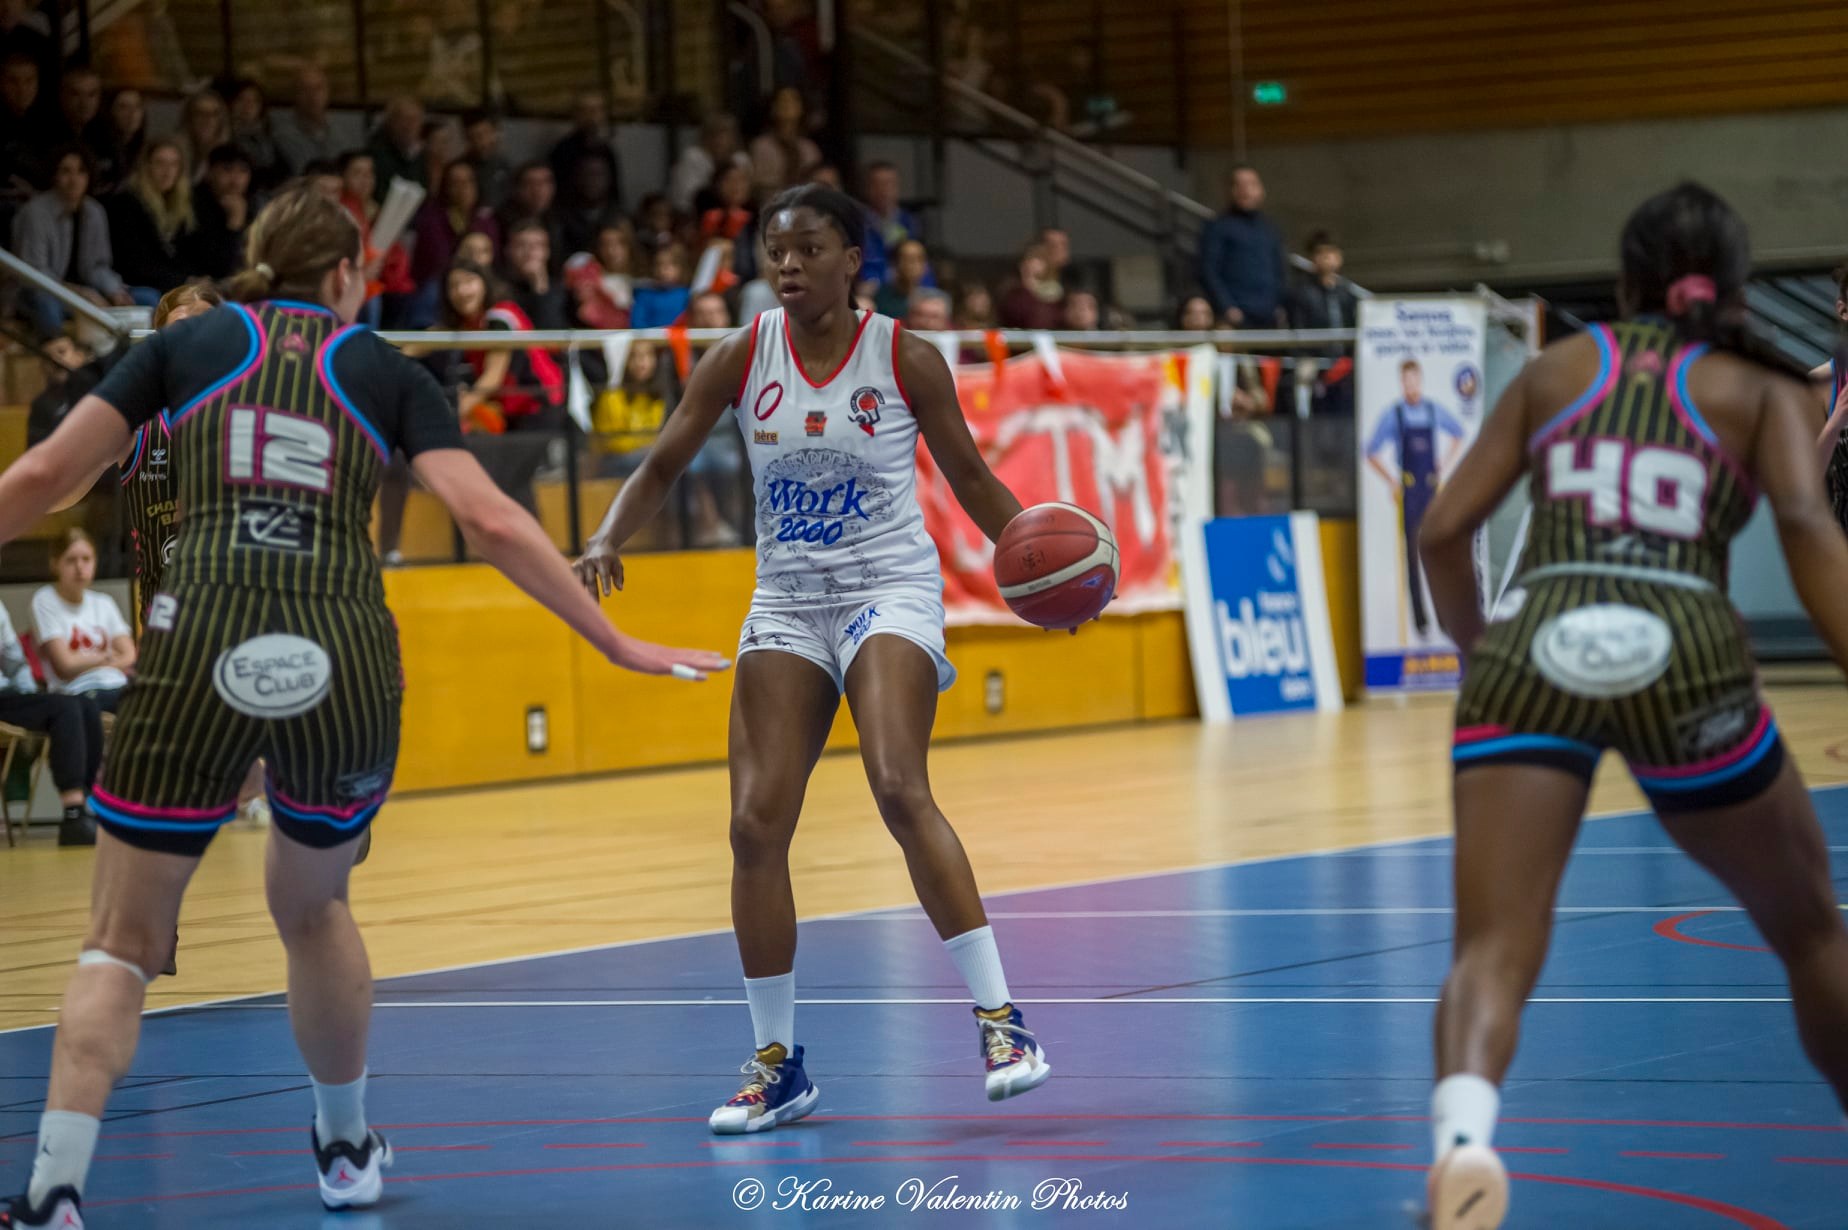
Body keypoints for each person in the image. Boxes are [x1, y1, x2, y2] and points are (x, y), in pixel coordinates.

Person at [0, 182, 728, 1230]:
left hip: (199, 634)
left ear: (259, 261)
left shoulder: (188, 345)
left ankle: (54, 1190)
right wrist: (613, 639)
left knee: (121, 939)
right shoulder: (383, 368)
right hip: (340, 648)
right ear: (348, 274)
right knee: (314, 908)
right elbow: (489, 519)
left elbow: (45, 475)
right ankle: (344, 1149)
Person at [575, 184, 1054, 1138]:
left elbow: (969, 478)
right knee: (754, 827)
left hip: (889, 590)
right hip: (788, 602)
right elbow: (663, 461)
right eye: (775, 250)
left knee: (897, 787)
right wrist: (605, 534)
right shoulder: (739, 355)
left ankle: (1003, 1023)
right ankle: (777, 1065)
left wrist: (1052, 575)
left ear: (851, 261)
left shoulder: (905, 357)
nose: (788, 265)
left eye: (808, 249)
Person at [1416, 182, 1848, 1230]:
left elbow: (1441, 533)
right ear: (1737, 290)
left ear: (1623, 284)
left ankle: (1463, 1147)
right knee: (1809, 933)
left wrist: (1483, 655)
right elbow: (1810, 534)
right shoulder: (1761, 387)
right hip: (1682, 647)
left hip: (1536, 643)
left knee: (1491, 946)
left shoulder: (1557, 369)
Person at [1365, 358, 1465, 638]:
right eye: (1406, 380)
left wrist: (1443, 464)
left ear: (1420, 380)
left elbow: (1458, 433)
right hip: (1409, 490)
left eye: (1414, 379)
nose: (1411, 385)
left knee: (1438, 550)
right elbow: (1370, 450)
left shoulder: (1432, 410)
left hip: (1430, 488)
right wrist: (1391, 480)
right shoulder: (1394, 414)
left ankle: (1445, 617)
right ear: (1402, 382)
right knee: (1412, 554)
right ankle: (1420, 621)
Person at [0, 581, 104, 846]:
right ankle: (73, 814)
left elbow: (14, 663)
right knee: (64, 707)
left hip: (8, 694)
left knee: (84, 706)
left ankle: (84, 803)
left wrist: (30, 697)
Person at [31, 529, 134, 713]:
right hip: (77, 692)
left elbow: (129, 655)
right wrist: (105, 656)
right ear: (55, 564)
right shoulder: (44, 600)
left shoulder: (104, 602)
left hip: (118, 685)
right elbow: (65, 666)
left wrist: (84, 660)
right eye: (71, 560)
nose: (79, 568)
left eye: (86, 559)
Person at [1199, 164, 1286, 328]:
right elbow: (1208, 270)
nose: (1245, 190)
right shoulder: (1218, 227)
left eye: (1251, 184)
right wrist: (1227, 307)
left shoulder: (1270, 228)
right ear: (1229, 191)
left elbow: (1280, 269)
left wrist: (1280, 304)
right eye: (1238, 185)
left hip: (1269, 315)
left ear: (1261, 190)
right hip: (1236, 316)